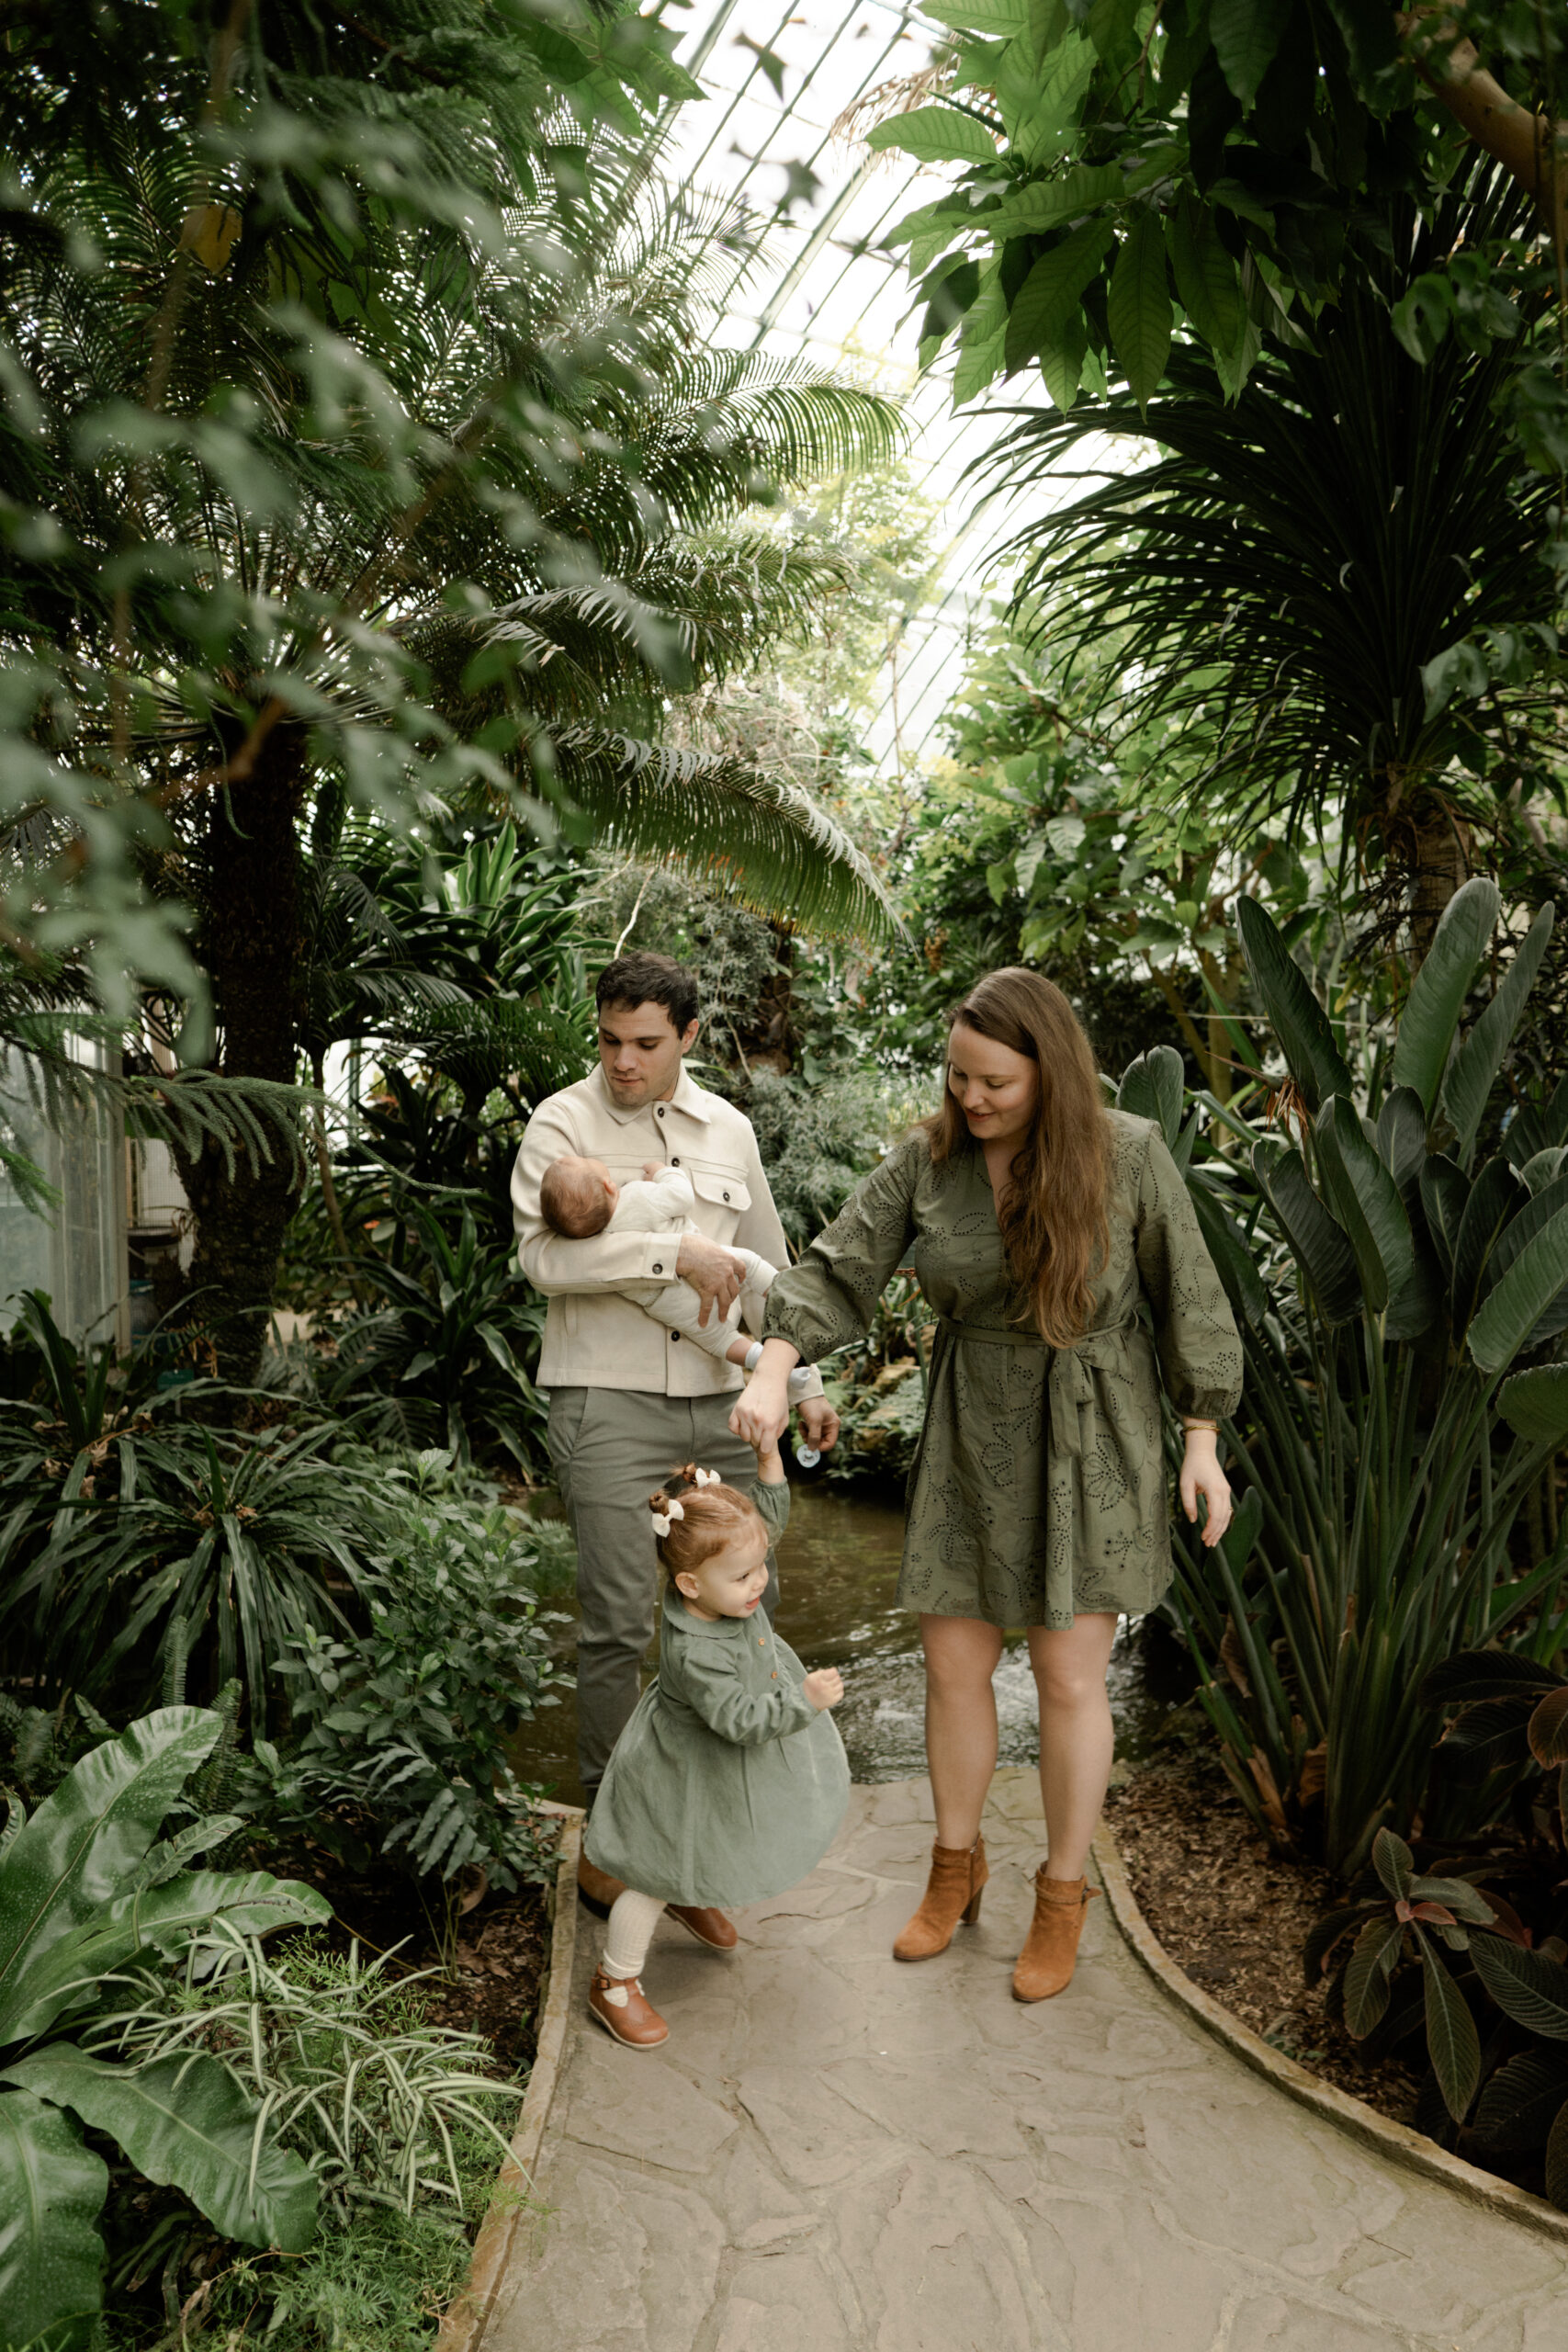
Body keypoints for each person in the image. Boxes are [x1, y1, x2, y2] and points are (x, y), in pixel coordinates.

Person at [733, 967, 1243, 2005]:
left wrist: (1202, 1438)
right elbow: (841, 1268)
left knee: (1067, 1677)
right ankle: (953, 1872)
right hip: (973, 1427)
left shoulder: (1130, 1153)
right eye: (959, 1076)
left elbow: (1187, 1292)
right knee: (953, 1663)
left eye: (995, 1083)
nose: (972, 1098)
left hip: (1097, 1430)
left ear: (1050, 1070)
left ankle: (1061, 1893)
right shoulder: (930, 1160)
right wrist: (775, 1363)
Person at [511, 950, 839, 1912]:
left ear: (688, 1037)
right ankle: (618, 1849)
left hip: (723, 1403)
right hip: (604, 1403)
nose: (623, 1061)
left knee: (736, 1624)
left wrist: (806, 1379)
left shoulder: (728, 1129)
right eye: (610, 1040)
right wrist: (673, 1247)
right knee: (616, 1625)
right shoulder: (560, 1123)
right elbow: (541, 1261)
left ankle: (699, 1846)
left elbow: (775, 1262)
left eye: (646, 1043)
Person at [581, 1435, 850, 2047]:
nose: (758, 1583)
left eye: (759, 1568)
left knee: (717, 1833)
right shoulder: (697, 1652)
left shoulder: (723, 1581)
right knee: (653, 1869)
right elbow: (739, 1721)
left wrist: (767, 1465)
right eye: (743, 1576)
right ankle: (614, 1980)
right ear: (690, 1585)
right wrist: (801, 1702)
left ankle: (691, 1889)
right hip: (682, 1768)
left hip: (716, 1762)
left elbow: (766, 1524)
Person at [536, 1152, 821, 1399]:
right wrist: (664, 1172)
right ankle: (789, 1298)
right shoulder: (636, 1196)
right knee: (750, 1264)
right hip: (710, 1267)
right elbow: (681, 1197)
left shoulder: (594, 1241)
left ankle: (765, 1362)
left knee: (719, 1339)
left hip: (665, 1302)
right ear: (609, 1186)